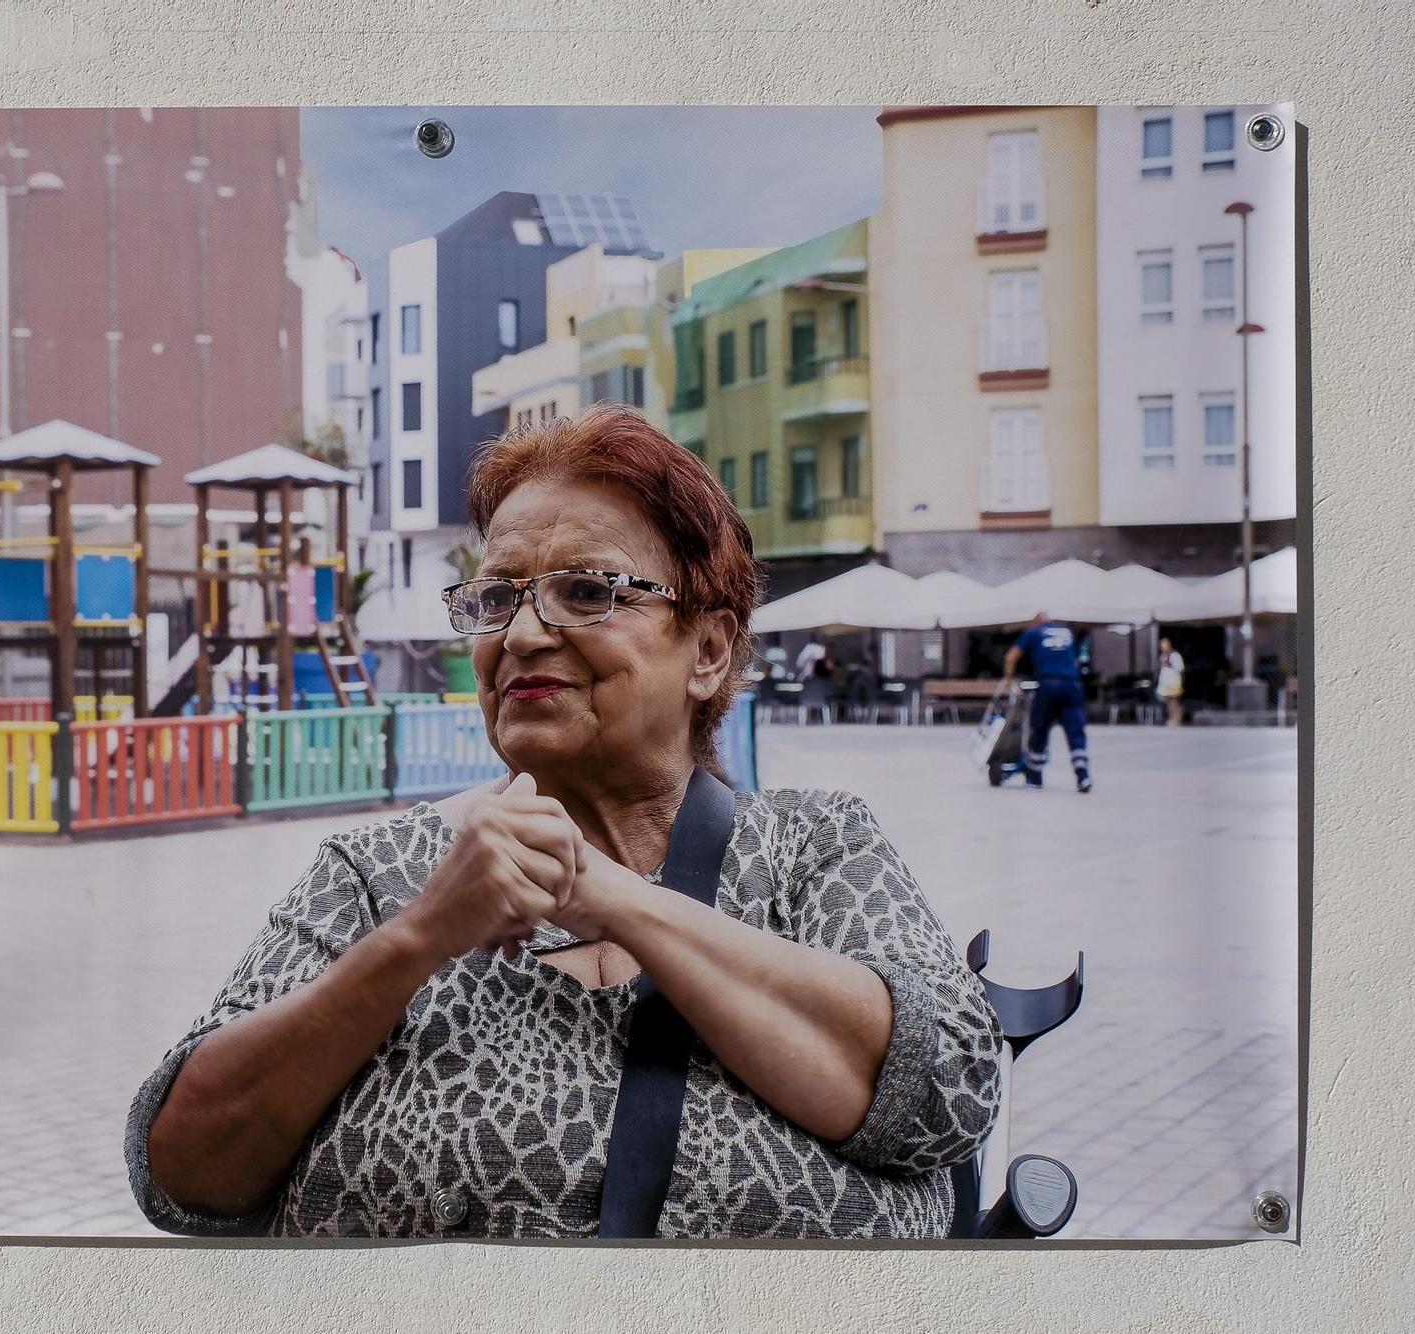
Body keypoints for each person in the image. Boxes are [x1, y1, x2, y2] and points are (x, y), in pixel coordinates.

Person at [127, 405, 1001, 1239]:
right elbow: (184, 1175)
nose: (524, 634)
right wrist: (422, 934)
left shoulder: (816, 848)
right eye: (497, 598)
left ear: (707, 651)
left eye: (588, 591)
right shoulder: (374, 873)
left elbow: (946, 1094)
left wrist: (612, 896)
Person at [1002, 612, 1092, 792]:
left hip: (1048, 684)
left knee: (1040, 729)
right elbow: (1074, 661)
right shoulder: (1066, 632)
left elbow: (1010, 657)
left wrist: (1009, 681)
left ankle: (1034, 778)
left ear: (1035, 621)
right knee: (1075, 731)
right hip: (1072, 686)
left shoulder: (1033, 632)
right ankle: (1083, 776)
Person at [1156, 636, 1187, 727]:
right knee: (1168, 701)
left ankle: (1177, 718)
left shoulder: (1175, 655)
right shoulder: (1163, 656)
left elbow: (1180, 668)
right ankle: (1171, 718)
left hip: (1173, 682)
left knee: (1174, 701)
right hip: (1165, 682)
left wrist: (1170, 665)